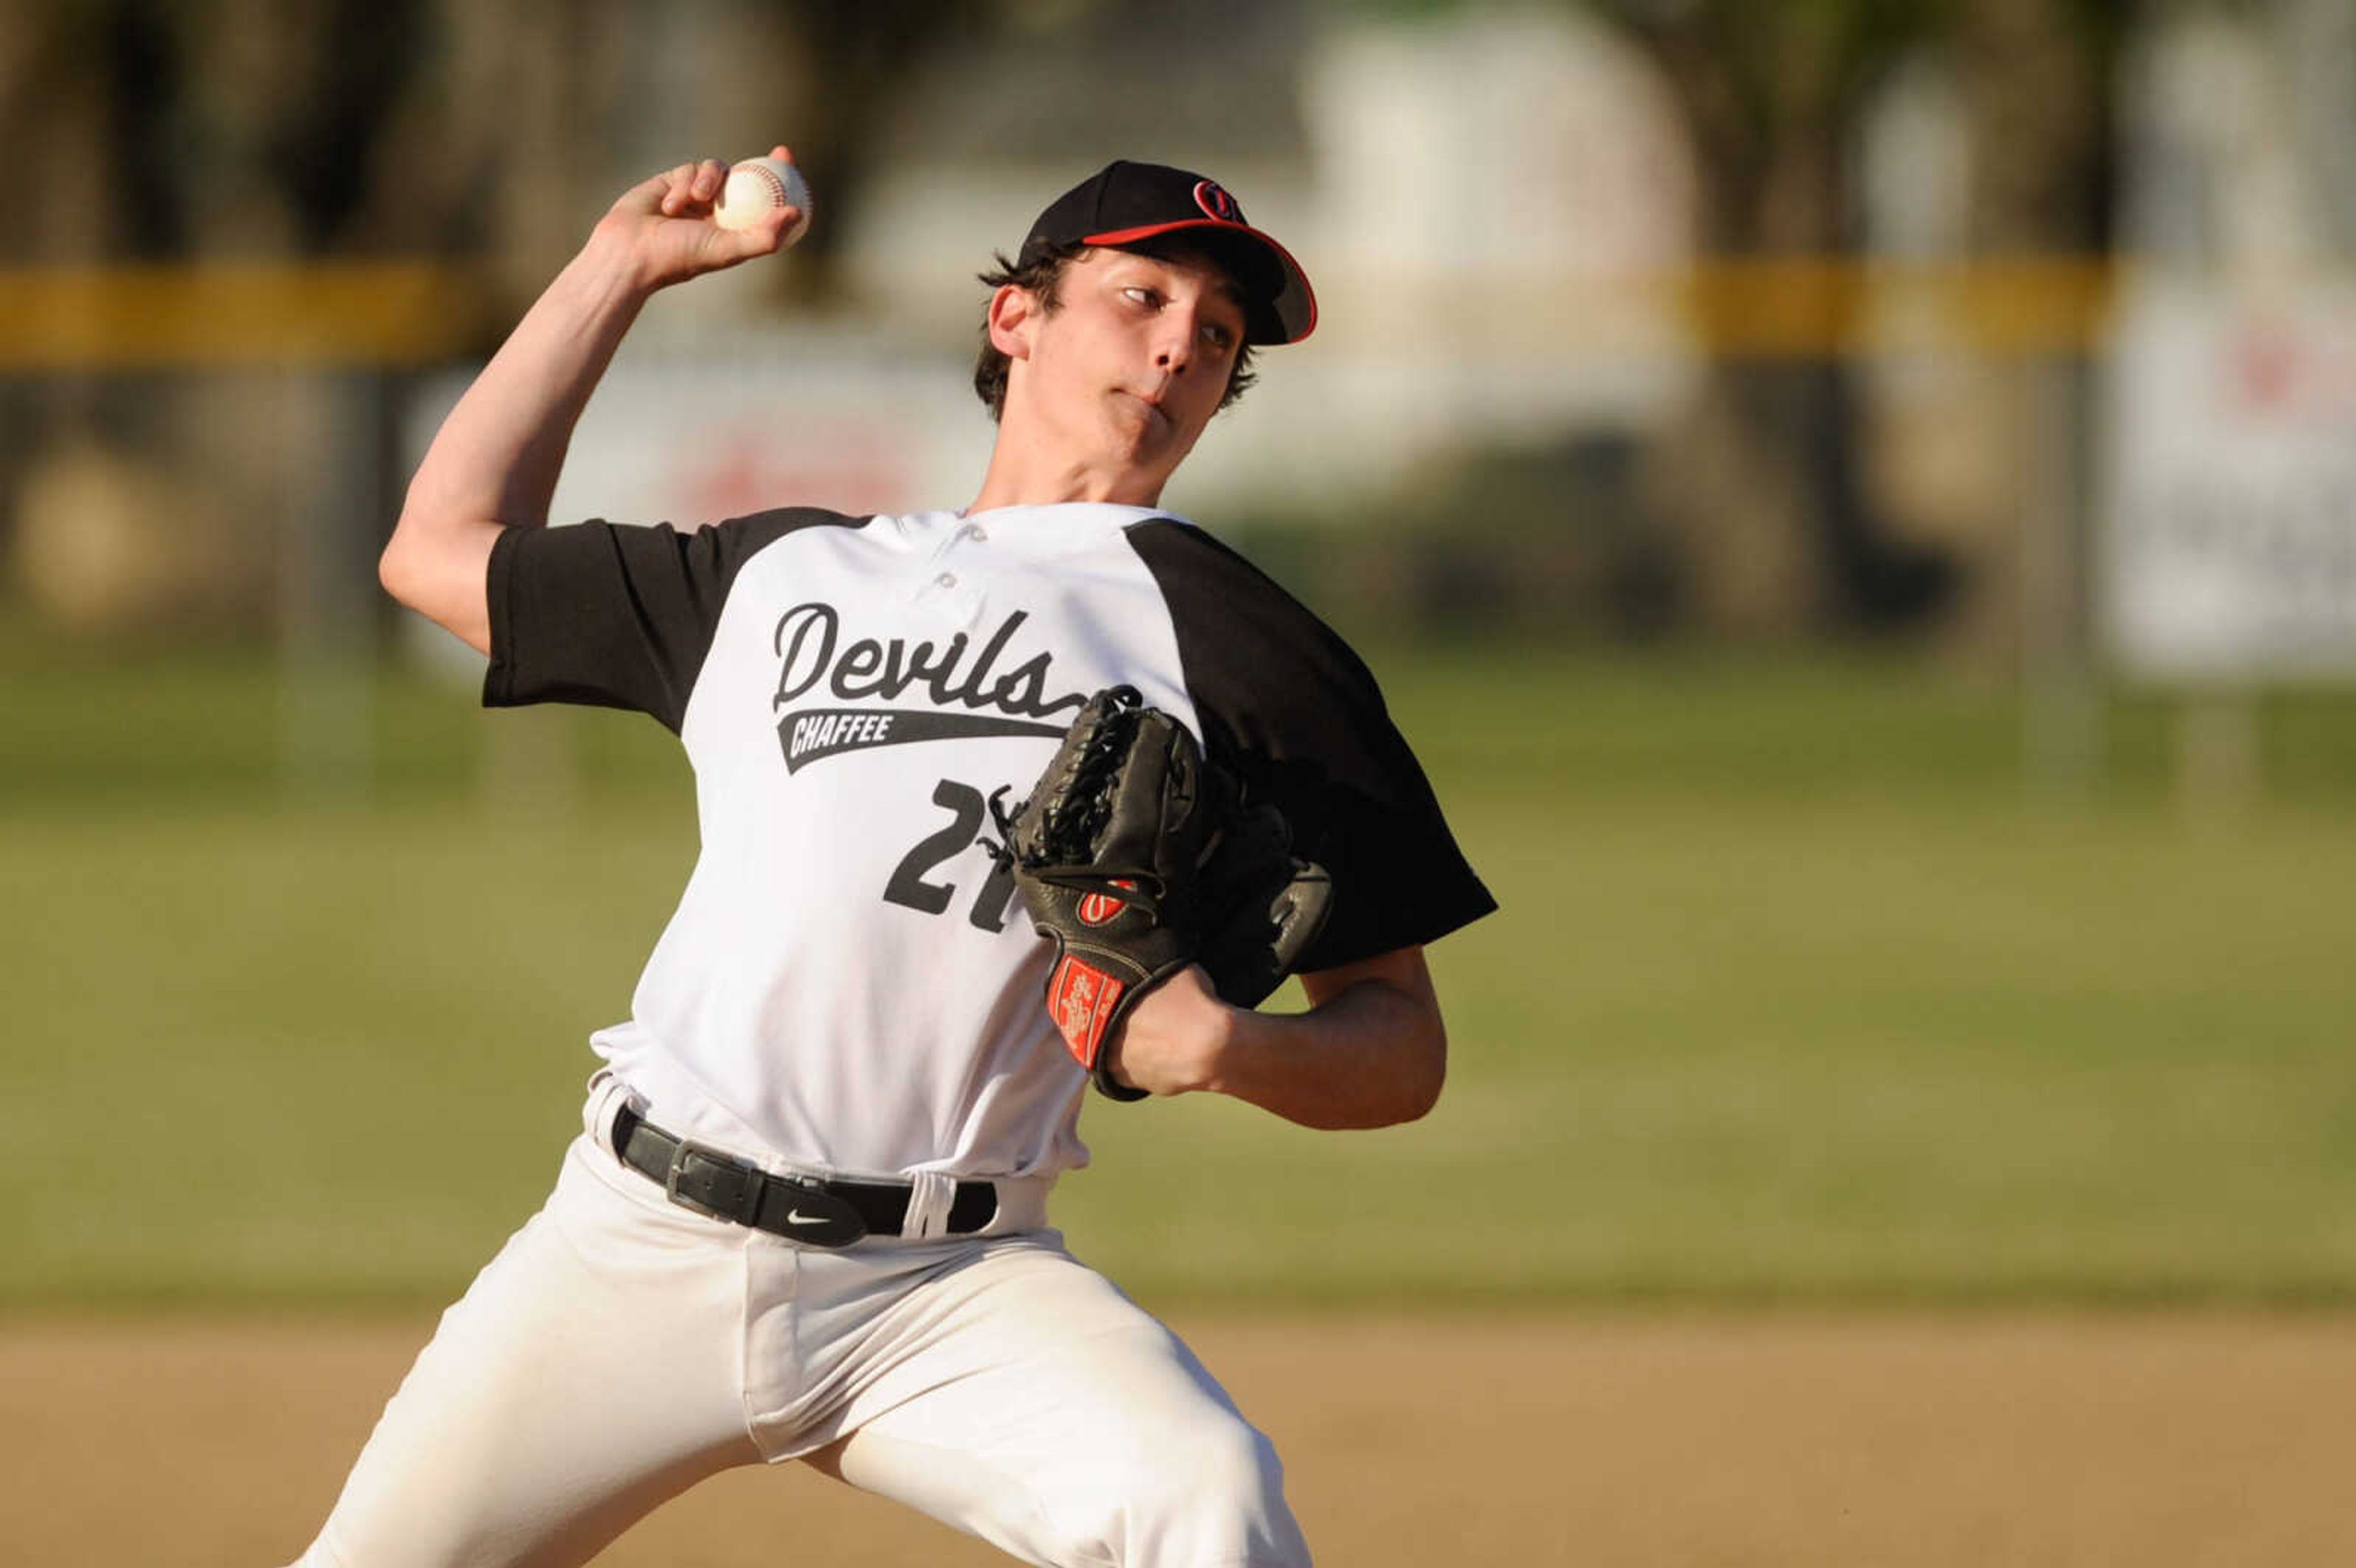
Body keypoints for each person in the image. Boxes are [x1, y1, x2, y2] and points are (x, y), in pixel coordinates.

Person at [301, 148, 1494, 1568]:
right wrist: (617, 266)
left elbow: (1399, 1047)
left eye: (1219, 332)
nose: (1180, 340)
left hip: (950, 1285)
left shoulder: (1245, 647)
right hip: (636, 1244)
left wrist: (1230, 1046)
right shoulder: (790, 574)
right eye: (1140, 294)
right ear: (1019, 321)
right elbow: (439, 550)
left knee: (1201, 1495)